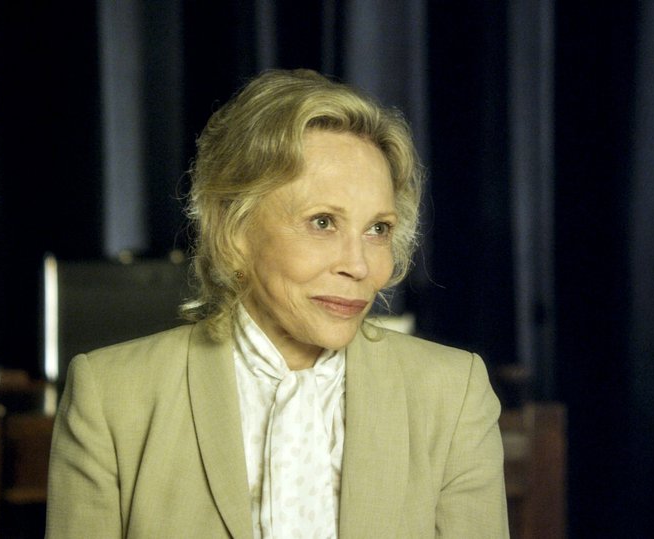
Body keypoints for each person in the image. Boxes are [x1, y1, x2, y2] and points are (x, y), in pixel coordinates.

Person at [46, 68, 508, 538]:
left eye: (378, 229)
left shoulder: (452, 395)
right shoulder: (111, 398)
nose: (359, 265)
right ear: (233, 228)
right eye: (322, 222)